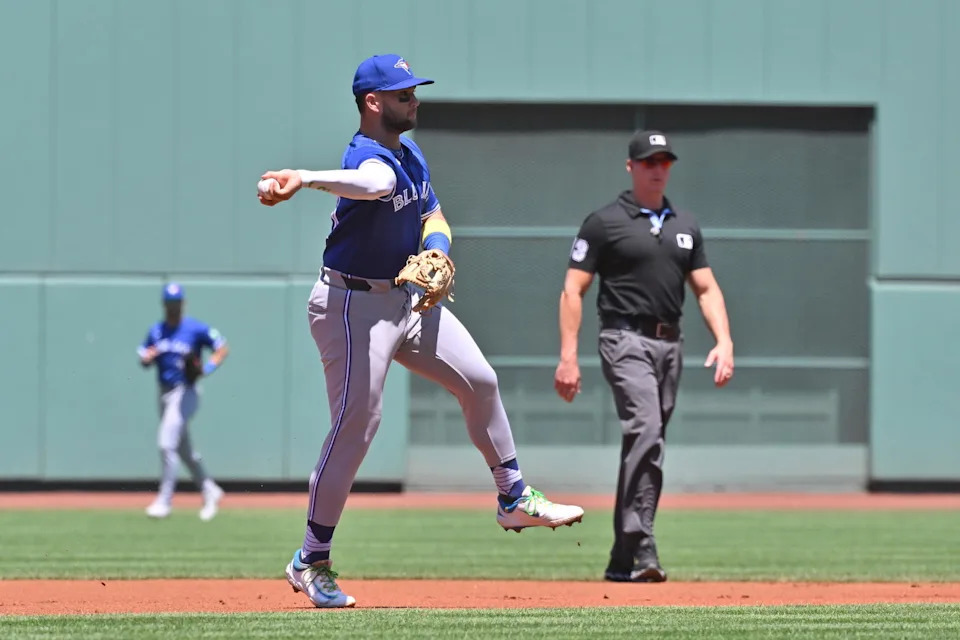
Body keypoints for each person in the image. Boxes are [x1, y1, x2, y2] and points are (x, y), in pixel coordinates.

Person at [257, 53, 584, 609]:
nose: (415, 100)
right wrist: (305, 178)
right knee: (359, 424)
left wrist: (436, 249)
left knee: (479, 379)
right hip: (350, 303)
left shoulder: (410, 153)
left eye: (415, 91)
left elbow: (434, 215)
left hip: (403, 299)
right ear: (373, 102)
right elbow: (368, 184)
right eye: (404, 93)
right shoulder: (369, 156)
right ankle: (310, 559)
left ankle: (512, 496)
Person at [554, 130, 734, 583]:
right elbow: (574, 289)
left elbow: (707, 288)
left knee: (647, 446)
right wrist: (568, 357)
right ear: (631, 166)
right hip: (624, 339)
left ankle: (624, 556)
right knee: (647, 432)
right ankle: (643, 546)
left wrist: (725, 340)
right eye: (649, 161)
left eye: (665, 161)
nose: (658, 168)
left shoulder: (685, 225)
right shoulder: (605, 222)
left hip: (670, 344)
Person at [138, 282, 229, 521]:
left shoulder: (195, 328)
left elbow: (221, 347)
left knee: (166, 443)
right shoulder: (157, 331)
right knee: (184, 450)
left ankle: (164, 501)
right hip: (164, 392)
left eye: (176, 303)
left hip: (186, 392)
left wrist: (207, 368)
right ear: (164, 305)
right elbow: (143, 355)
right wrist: (147, 357)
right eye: (169, 304)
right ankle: (210, 489)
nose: (173, 308)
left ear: (183, 304)